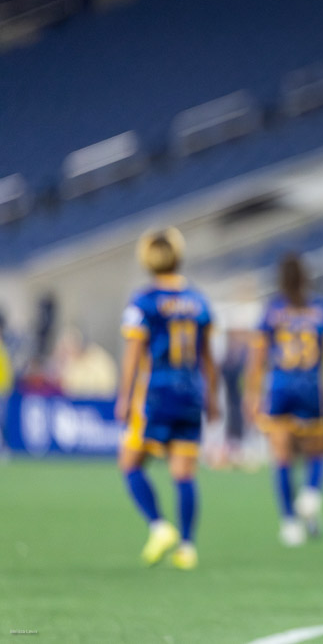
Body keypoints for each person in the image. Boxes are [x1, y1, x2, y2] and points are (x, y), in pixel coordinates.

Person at [114, 227, 218, 570]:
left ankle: (159, 526)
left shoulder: (143, 302)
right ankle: (187, 547)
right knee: (184, 473)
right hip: (191, 392)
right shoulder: (200, 302)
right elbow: (207, 356)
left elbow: (133, 353)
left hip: (156, 393)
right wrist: (213, 398)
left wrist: (125, 396)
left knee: (130, 463)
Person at [244, 254, 323, 546]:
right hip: (311, 386)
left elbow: (257, 357)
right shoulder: (321, 310)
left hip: (280, 386)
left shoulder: (271, 311)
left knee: (282, 455)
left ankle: (290, 523)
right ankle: (312, 493)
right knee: (318, 450)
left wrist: (252, 393)